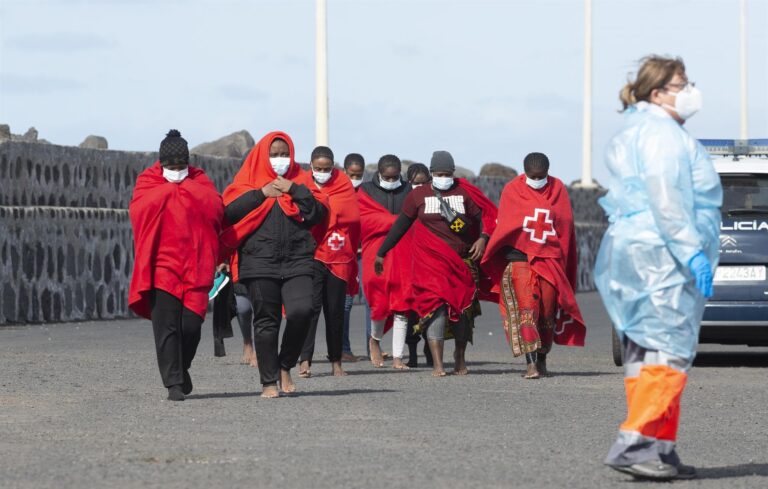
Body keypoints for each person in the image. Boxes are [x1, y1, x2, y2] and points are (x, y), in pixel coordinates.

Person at [595, 56, 721, 480]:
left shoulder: (640, 129)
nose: (690, 91)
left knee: (644, 351)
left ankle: (661, 448)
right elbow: (667, 199)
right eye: (681, 84)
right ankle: (635, 442)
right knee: (668, 352)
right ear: (657, 92)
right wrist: (691, 251)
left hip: (642, 250)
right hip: (662, 254)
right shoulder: (662, 135)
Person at [221, 131, 327, 398]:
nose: (280, 159)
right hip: (259, 261)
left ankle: (285, 365)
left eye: (285, 154)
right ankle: (269, 381)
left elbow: (318, 214)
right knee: (266, 321)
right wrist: (261, 194)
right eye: (274, 154)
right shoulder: (246, 182)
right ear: (262, 155)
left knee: (303, 311)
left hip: (298, 259)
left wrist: (294, 189)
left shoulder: (302, 181)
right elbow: (228, 213)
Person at [128, 130, 224, 401]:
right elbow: (138, 211)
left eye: (182, 167)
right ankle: (173, 383)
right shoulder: (148, 181)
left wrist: (184, 188)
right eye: (171, 167)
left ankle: (182, 368)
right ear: (161, 165)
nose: (177, 171)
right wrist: (170, 192)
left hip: (196, 265)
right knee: (166, 326)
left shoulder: (199, 180)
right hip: (162, 266)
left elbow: (216, 208)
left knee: (191, 326)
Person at [376, 151, 491, 376]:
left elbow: (483, 218)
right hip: (429, 265)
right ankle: (438, 364)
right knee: (435, 310)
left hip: (461, 262)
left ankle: (459, 356)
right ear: (431, 174)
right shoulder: (418, 196)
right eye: (439, 173)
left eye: (447, 174)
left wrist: (482, 239)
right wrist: (382, 252)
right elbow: (401, 225)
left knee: (462, 311)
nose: (444, 177)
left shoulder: (464, 193)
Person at [481, 153, 586, 379]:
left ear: (547, 173)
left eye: (541, 176)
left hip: (550, 260)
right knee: (528, 310)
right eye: (532, 176)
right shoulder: (512, 190)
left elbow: (565, 225)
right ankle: (530, 365)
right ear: (525, 172)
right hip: (519, 260)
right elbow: (507, 224)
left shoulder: (558, 189)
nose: (536, 180)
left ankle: (543, 359)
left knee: (547, 313)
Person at [299, 146, 361, 378]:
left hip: (338, 255)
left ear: (333, 167)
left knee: (335, 312)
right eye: (318, 168)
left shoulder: (343, 183)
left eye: (327, 168)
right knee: (310, 310)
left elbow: (353, 218)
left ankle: (336, 362)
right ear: (311, 166)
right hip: (311, 255)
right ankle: (305, 360)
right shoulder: (302, 183)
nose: (322, 172)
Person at [358, 155, 413, 369]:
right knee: (379, 301)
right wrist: (395, 222)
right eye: (387, 177)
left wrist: (399, 225)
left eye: (395, 176)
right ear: (379, 173)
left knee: (402, 302)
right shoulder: (366, 191)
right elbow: (363, 219)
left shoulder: (408, 191)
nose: (391, 180)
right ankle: (375, 341)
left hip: (403, 250)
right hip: (376, 252)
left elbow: (416, 218)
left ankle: (398, 357)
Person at [341, 153, 369, 362]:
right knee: (346, 302)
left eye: (359, 175)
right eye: (352, 174)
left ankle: (372, 347)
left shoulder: (368, 194)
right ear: (344, 172)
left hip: (365, 253)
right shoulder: (339, 192)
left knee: (371, 299)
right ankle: (343, 348)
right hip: (343, 254)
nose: (355, 178)